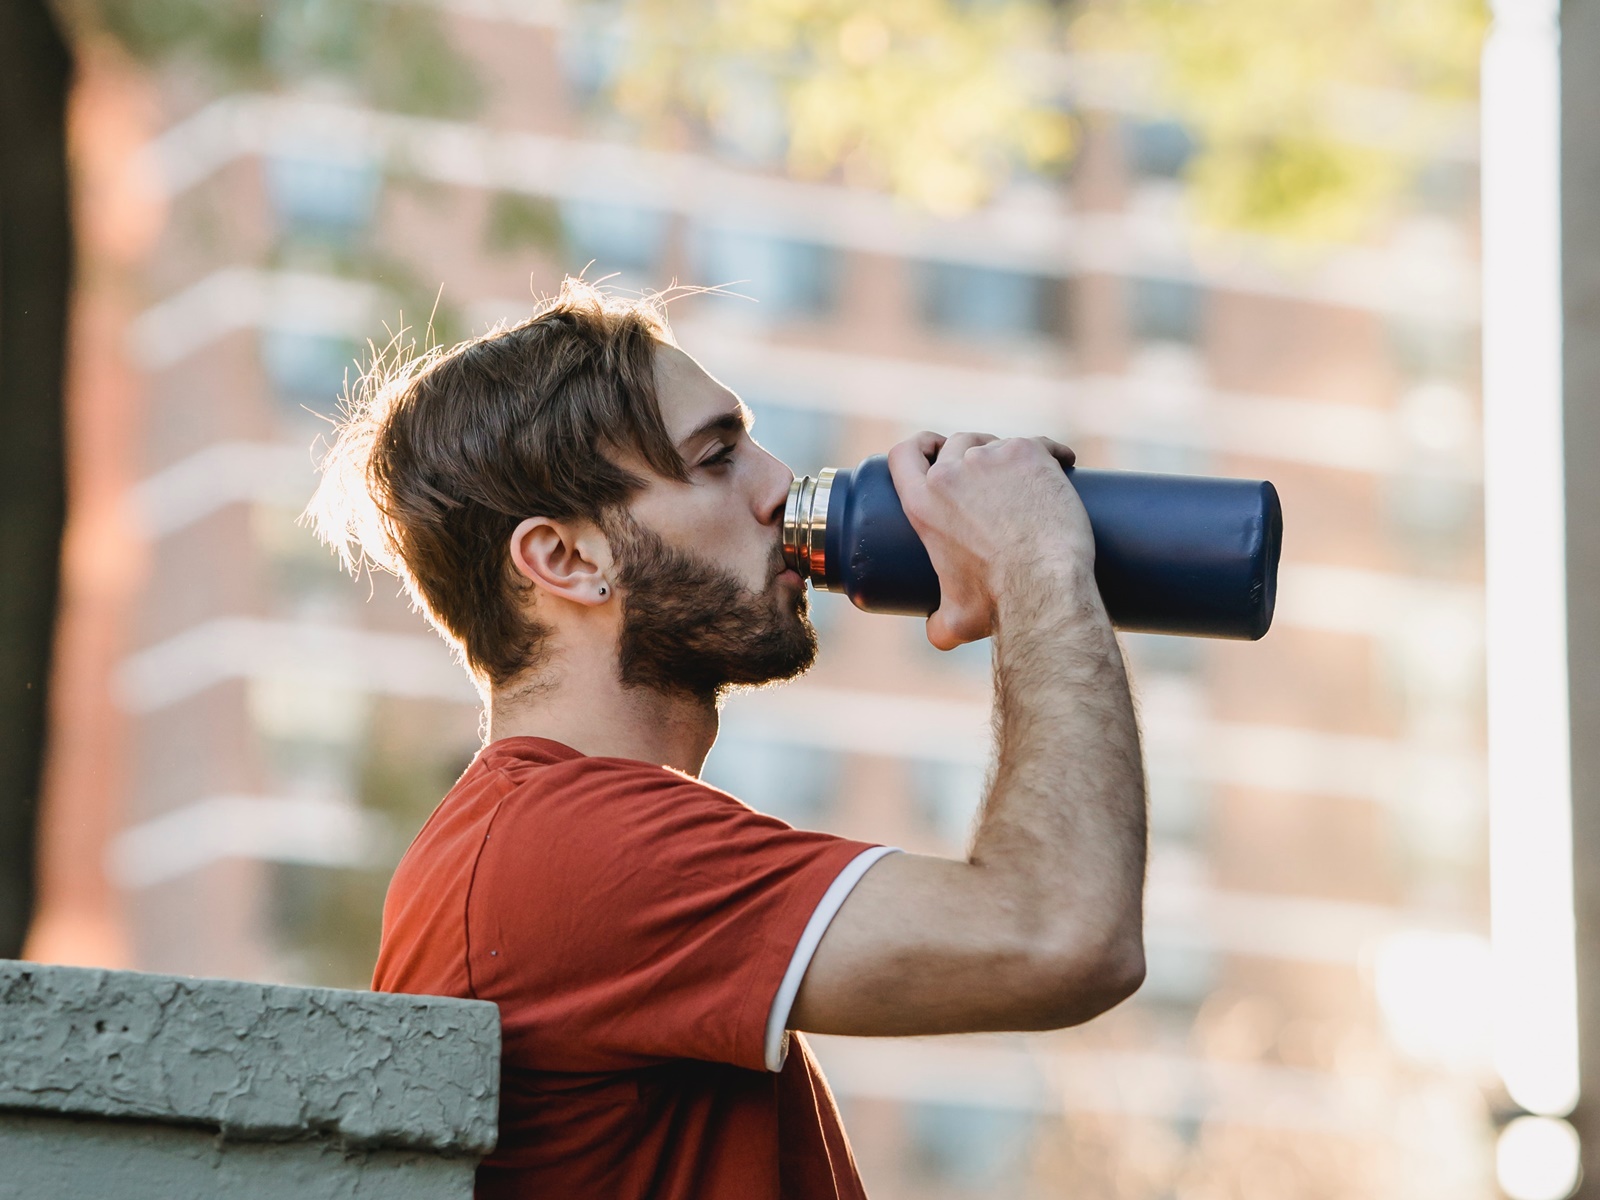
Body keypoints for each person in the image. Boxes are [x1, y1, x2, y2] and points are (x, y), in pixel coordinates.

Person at [308, 279, 1147, 1200]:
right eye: (716, 458)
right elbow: (1060, 935)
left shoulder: (537, 837)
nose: (781, 486)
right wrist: (1037, 561)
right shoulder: (574, 845)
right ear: (568, 559)